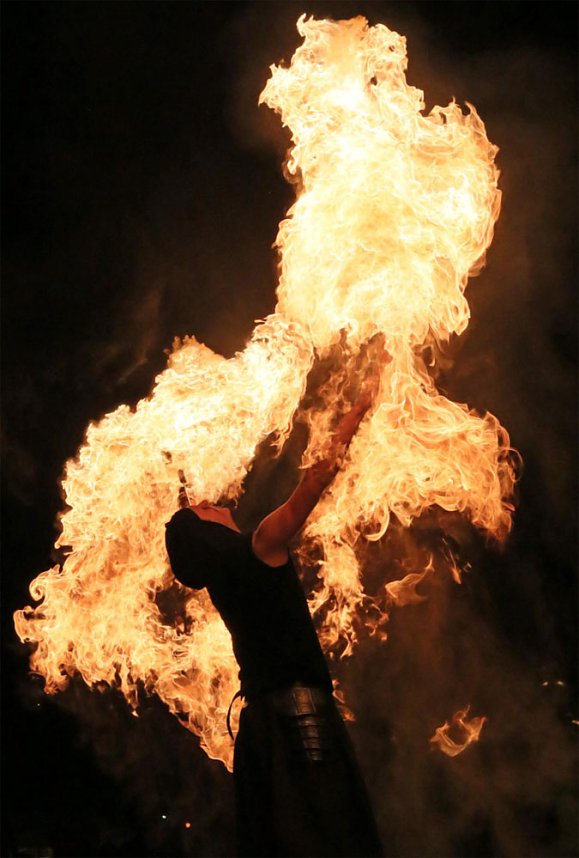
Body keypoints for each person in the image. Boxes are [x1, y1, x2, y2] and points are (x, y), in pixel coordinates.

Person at [165, 377, 384, 858]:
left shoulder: (227, 579)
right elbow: (316, 478)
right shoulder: (259, 545)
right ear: (205, 530)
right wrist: (362, 402)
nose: (212, 501)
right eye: (201, 507)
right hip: (298, 719)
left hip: (263, 727)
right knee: (326, 833)